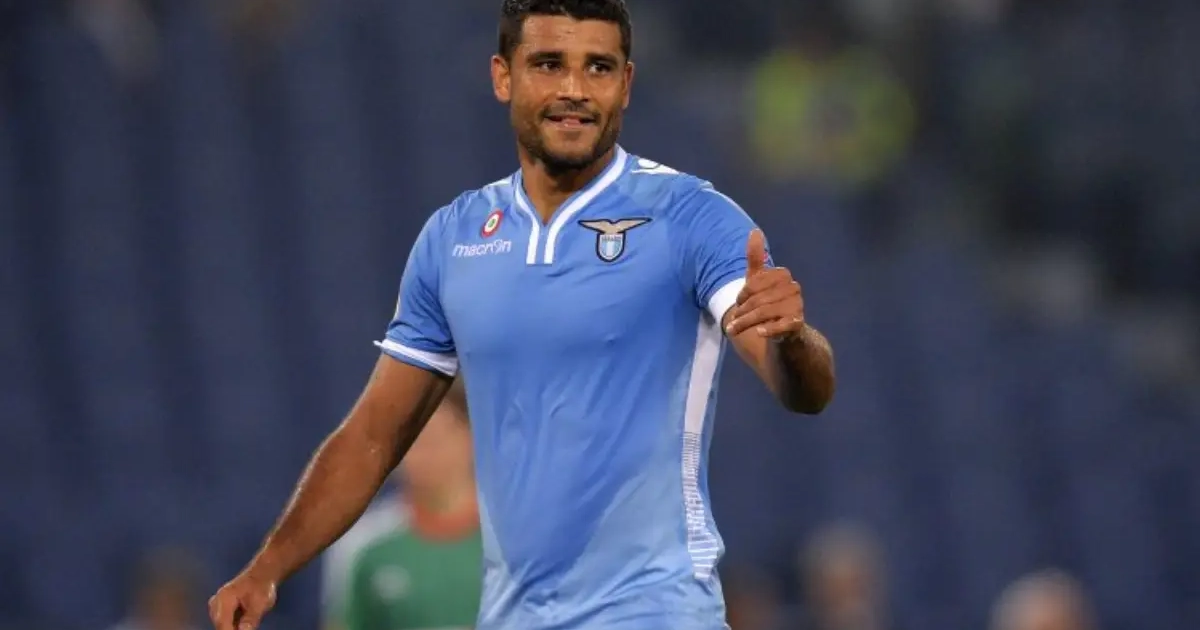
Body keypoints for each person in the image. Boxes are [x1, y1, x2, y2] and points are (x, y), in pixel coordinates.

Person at [208, 1, 836, 629]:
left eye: (598, 67)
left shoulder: (691, 216)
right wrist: (267, 569)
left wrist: (791, 339)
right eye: (549, 64)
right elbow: (373, 436)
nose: (574, 89)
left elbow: (801, 389)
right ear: (503, 76)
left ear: (626, 84)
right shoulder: (452, 239)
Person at [333, 378, 481, 630]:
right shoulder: (363, 545)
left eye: (436, 438)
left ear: (471, 437)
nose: (424, 454)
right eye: (411, 441)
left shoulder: (523, 538)